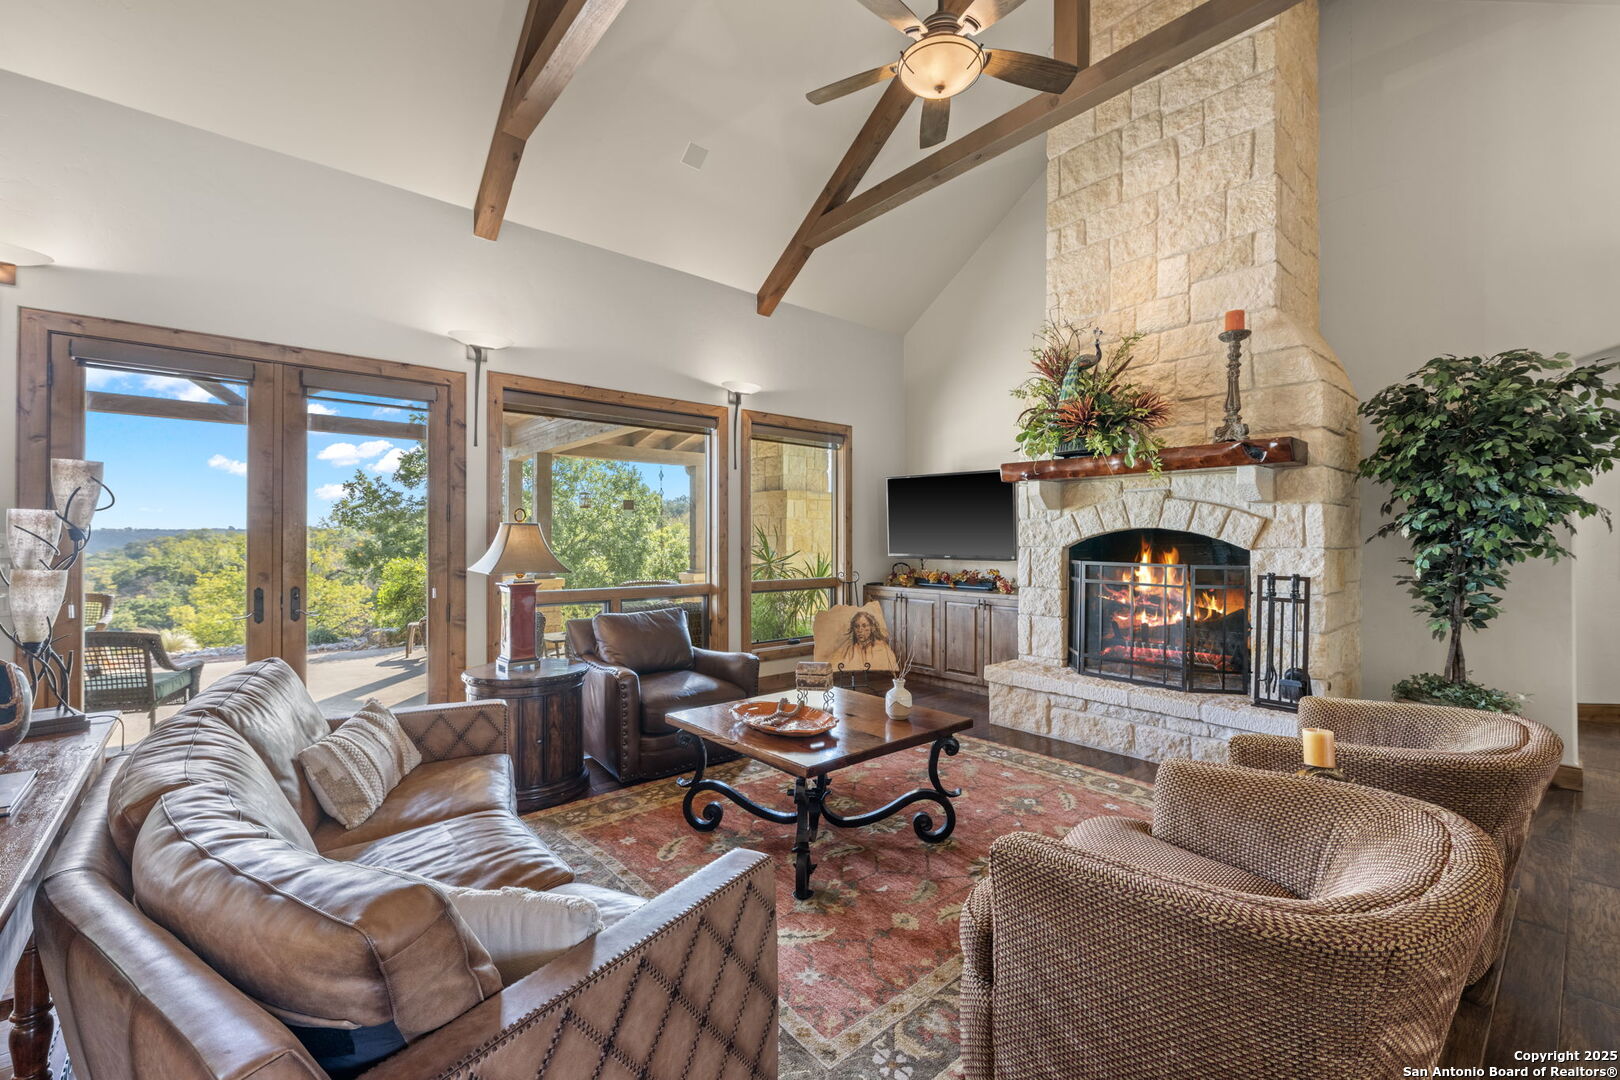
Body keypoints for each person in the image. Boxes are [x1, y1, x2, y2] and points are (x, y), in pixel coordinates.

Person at [815, 605, 899, 672]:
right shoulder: (849, 650)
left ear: (872, 628)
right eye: (856, 626)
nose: (860, 630)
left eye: (864, 626)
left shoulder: (883, 648)